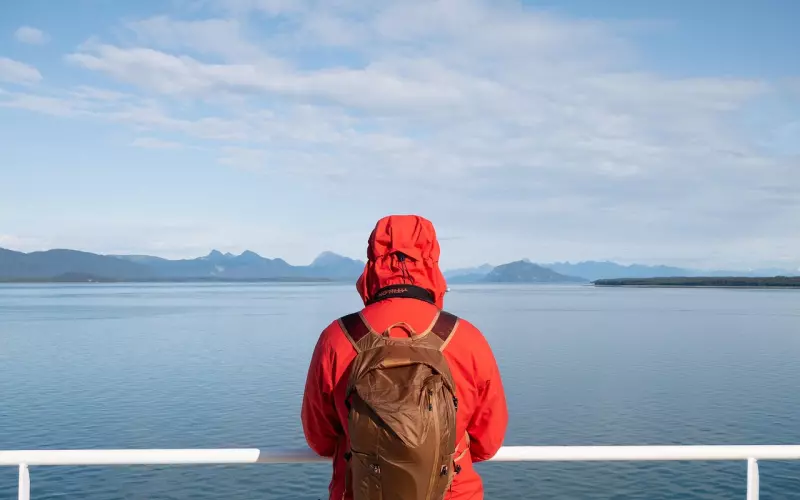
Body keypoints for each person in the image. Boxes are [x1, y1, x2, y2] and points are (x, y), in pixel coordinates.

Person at [302, 214, 508, 500]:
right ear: (432, 262)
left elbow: (320, 440)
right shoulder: (466, 338)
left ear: (371, 264)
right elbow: (488, 443)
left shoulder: (337, 338)